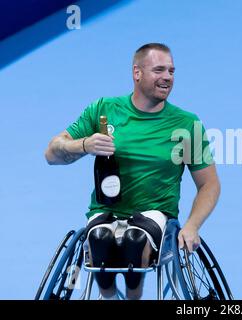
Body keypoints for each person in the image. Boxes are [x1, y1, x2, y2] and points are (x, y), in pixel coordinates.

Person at [45, 43, 220, 300]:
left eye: (171, 71)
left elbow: (209, 185)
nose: (168, 77)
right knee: (100, 239)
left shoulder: (186, 124)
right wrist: (84, 145)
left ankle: (133, 296)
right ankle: (110, 296)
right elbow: (52, 153)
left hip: (155, 214)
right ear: (137, 73)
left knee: (135, 241)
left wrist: (192, 226)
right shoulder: (104, 110)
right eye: (159, 70)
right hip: (105, 211)